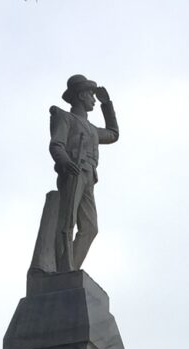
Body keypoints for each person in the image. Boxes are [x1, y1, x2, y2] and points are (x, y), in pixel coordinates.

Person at [30, 74, 118, 274]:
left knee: (90, 228)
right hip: (73, 171)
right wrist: (66, 162)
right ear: (80, 96)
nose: (93, 100)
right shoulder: (64, 117)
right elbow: (56, 145)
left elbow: (113, 134)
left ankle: (68, 269)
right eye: (90, 95)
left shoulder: (93, 129)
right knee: (67, 222)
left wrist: (107, 105)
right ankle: (65, 266)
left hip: (89, 176)